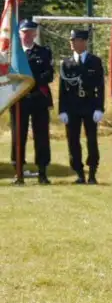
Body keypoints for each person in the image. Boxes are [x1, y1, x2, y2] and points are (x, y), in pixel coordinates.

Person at [58, 29, 104, 185]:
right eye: (71, 40)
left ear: (83, 42)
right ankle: (79, 172)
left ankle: (92, 172)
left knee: (91, 140)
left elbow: (100, 87)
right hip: (72, 107)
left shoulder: (94, 61)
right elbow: (62, 89)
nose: (72, 43)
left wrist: (99, 108)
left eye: (75, 40)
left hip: (89, 105)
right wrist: (62, 110)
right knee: (73, 140)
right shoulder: (66, 63)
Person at [9, 19, 53, 184]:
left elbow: (49, 74)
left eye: (30, 32)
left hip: (38, 98)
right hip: (19, 99)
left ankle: (42, 172)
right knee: (18, 136)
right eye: (24, 32)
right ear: (19, 34)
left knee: (41, 136)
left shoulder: (44, 52)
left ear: (35, 34)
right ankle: (18, 171)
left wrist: (31, 82)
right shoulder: (13, 54)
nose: (27, 35)